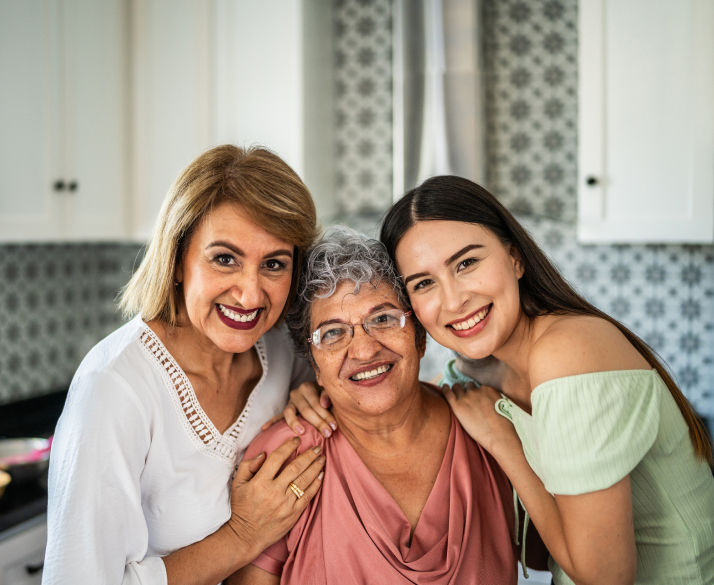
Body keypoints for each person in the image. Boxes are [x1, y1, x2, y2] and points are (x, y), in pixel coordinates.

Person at [377, 175, 714, 585]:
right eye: (424, 283)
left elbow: (604, 577)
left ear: (515, 258)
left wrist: (506, 445)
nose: (453, 300)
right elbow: (538, 555)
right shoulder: (476, 378)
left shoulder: (569, 350)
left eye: (466, 263)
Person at [43, 145, 326, 585]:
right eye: (225, 259)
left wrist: (318, 393)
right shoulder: (114, 388)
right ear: (177, 260)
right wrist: (243, 535)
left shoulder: (284, 356)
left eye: (274, 264)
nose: (250, 295)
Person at [227, 227, 547, 585]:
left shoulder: (490, 426)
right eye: (332, 333)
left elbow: (553, 557)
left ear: (420, 336)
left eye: (382, 319)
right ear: (314, 364)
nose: (364, 351)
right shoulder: (284, 454)